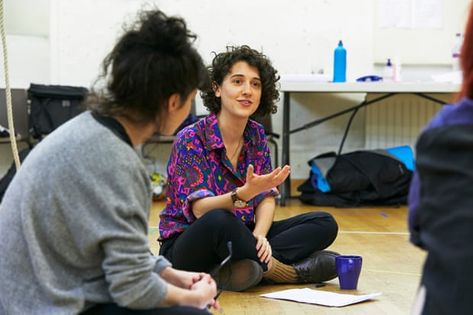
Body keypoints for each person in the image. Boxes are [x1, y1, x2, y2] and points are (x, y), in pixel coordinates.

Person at [0, 8, 219, 315]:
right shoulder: (116, 161)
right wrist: (194, 299)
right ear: (173, 102)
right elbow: (133, 289)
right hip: (39, 304)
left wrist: (167, 273)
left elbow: (114, 242)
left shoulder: (90, 128)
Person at [159, 45, 339, 291]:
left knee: (323, 222)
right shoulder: (191, 138)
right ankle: (282, 272)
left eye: (255, 84)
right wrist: (242, 195)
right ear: (217, 88)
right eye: (238, 81)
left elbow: (266, 196)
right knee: (219, 220)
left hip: (242, 236)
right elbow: (200, 210)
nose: (247, 91)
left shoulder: (256, 134)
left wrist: (260, 236)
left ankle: (239, 268)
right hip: (189, 244)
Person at [408, 5, 473, 315]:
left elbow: (420, 227)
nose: (247, 92)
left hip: (448, 297)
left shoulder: (445, 128)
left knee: (320, 225)